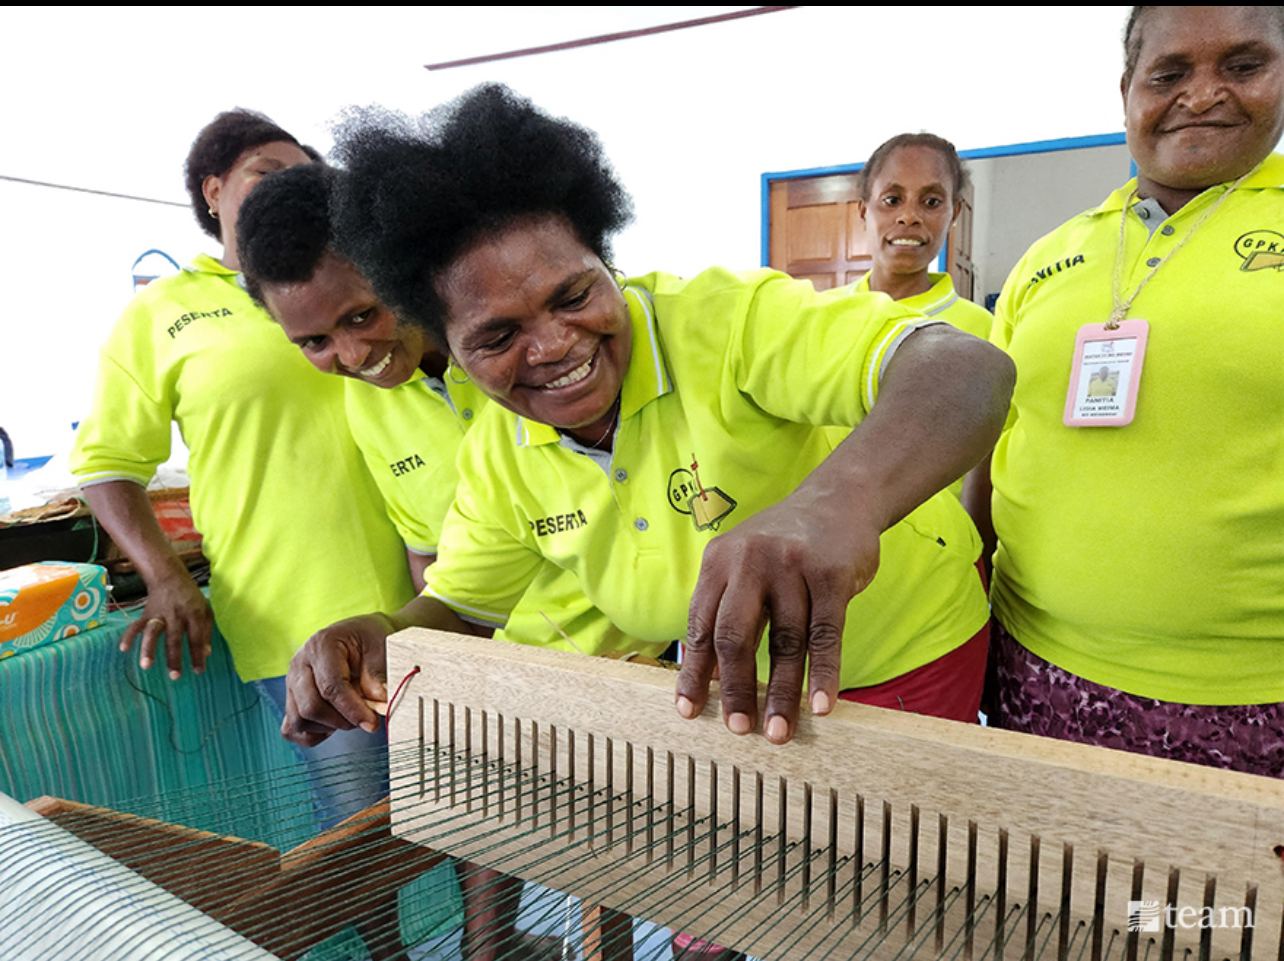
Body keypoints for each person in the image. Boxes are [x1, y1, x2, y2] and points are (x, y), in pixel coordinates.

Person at [282, 84, 1014, 753]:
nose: (554, 346)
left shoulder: (724, 322)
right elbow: (462, 607)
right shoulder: (500, 452)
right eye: (498, 337)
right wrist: (382, 634)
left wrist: (836, 504)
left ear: (607, 261)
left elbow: (965, 372)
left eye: (572, 296)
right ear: (449, 351)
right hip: (739, 697)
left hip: (903, 658)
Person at [69, 110, 418, 825]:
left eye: (302, 176)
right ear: (213, 188)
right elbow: (106, 462)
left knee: (478, 792)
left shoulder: (369, 279)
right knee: (360, 820)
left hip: (438, 582)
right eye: (266, 170)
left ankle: (493, 941)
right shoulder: (162, 312)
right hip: (295, 609)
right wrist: (166, 576)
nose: (286, 184)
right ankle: (393, 945)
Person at [967, 5, 1284, 777]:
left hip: (1249, 701)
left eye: (1242, 67)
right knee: (1041, 896)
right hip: (1030, 668)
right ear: (1127, 91)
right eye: (1169, 74)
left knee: (1210, 906)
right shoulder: (1054, 253)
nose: (1202, 94)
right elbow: (992, 436)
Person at [236, 162, 661, 660]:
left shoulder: (545, 359)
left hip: (637, 656)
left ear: (404, 276)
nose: (353, 355)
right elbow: (430, 557)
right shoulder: (368, 407)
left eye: (361, 315)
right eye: (314, 341)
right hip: (502, 663)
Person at [845, 132, 994, 499]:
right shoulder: (821, 317)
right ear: (864, 209)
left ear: (953, 213)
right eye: (892, 200)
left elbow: (989, 463)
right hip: (824, 543)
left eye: (930, 202)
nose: (909, 217)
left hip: (935, 551)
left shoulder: (981, 333)